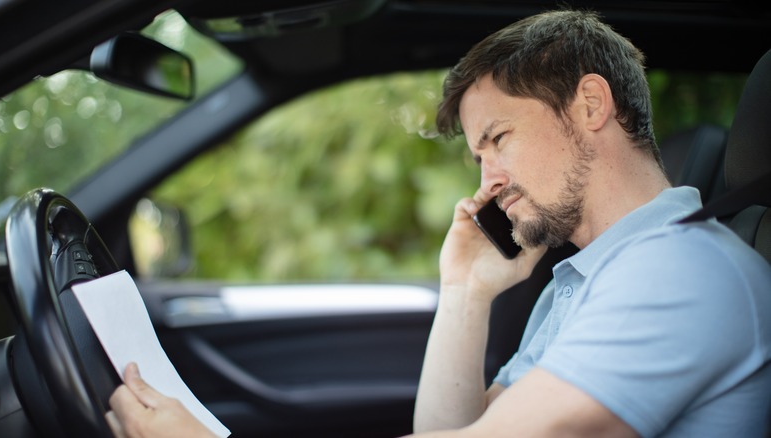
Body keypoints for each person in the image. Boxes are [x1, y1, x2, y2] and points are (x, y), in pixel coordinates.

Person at [106, 8, 771, 438]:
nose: (487, 184)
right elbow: (453, 432)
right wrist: (465, 291)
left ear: (589, 104)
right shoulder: (589, 278)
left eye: (500, 138)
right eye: (478, 157)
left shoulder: (680, 268)